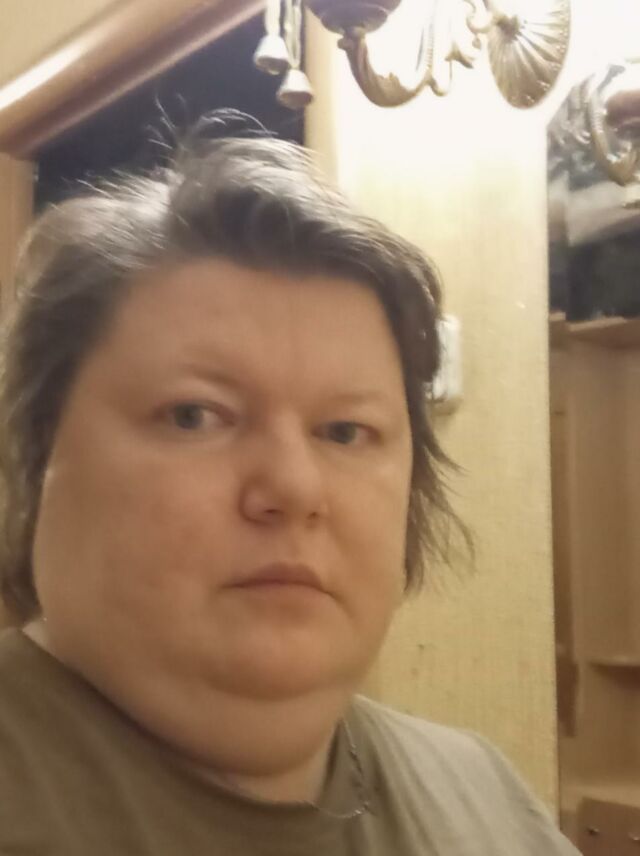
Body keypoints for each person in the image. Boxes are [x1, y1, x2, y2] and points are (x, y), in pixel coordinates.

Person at [0, 119, 579, 855]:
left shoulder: (485, 793)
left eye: (344, 431)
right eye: (194, 415)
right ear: (36, 459)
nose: (296, 487)